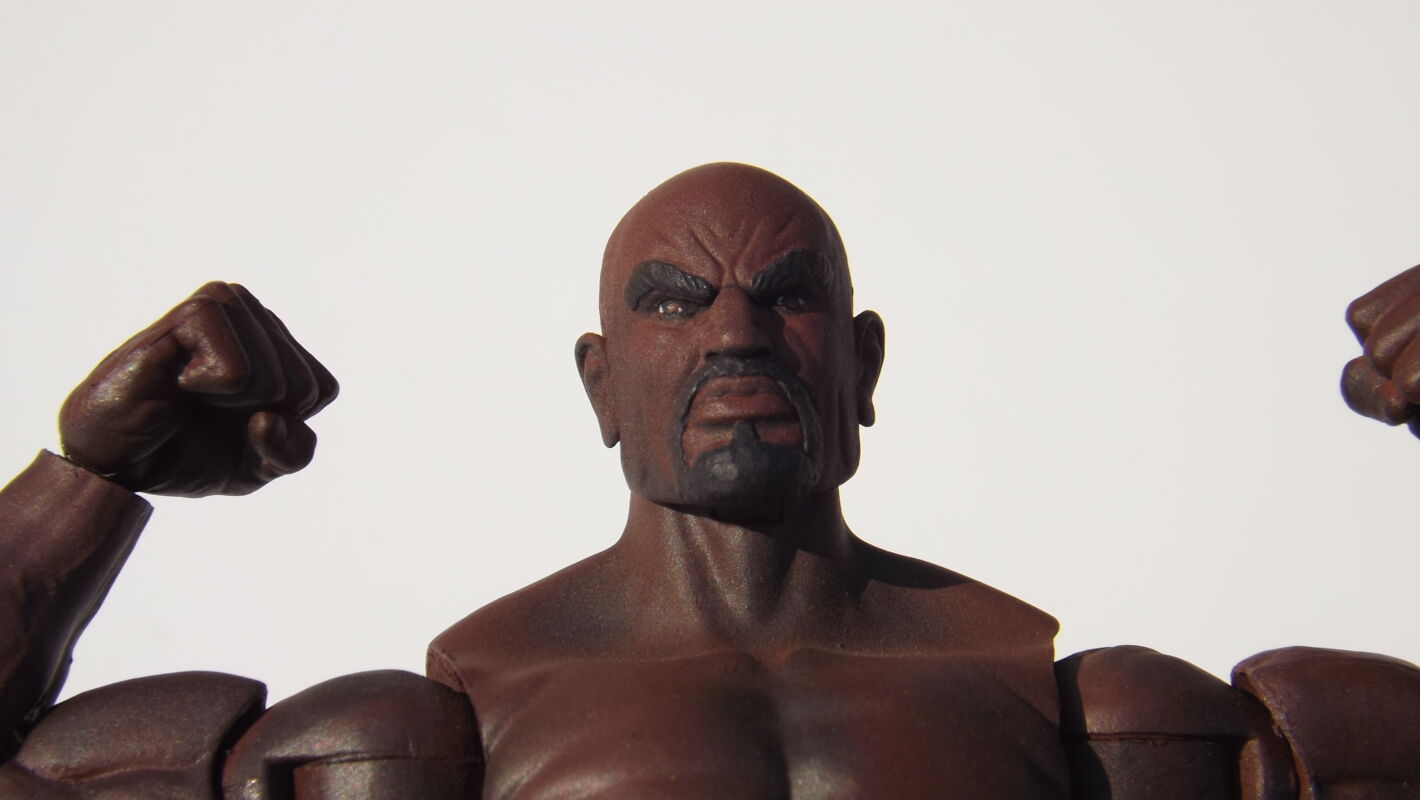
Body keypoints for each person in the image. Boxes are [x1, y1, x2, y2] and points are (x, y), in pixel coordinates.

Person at [1, 163, 1416, 799]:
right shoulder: (420, 745)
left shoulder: (1101, 727)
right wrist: (85, 484)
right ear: (600, 384)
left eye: (787, 296)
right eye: (674, 303)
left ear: (860, 362)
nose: (736, 334)